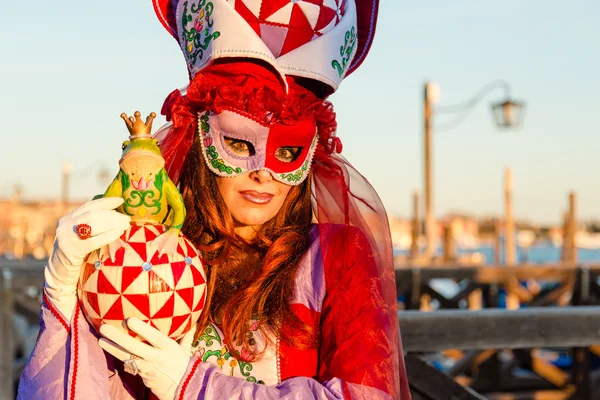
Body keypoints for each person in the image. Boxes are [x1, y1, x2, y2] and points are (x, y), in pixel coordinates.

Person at [18, 0, 411, 399]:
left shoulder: (336, 258)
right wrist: (63, 300)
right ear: (200, 140)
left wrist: (194, 385)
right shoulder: (150, 256)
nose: (263, 173)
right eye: (239, 143)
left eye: (288, 152)